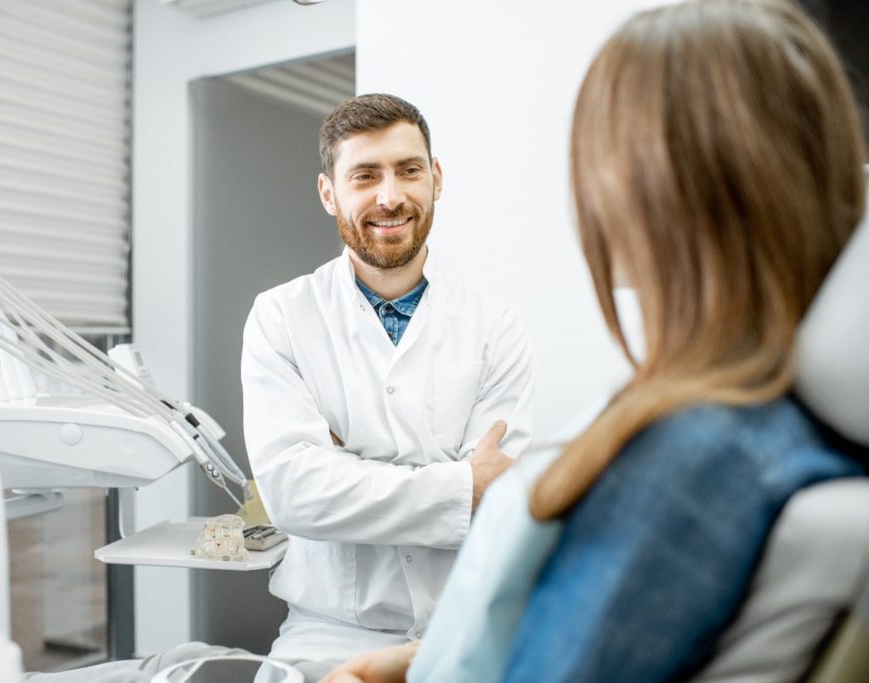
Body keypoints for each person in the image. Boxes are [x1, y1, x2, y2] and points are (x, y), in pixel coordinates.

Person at [322, 0, 868, 681]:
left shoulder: (691, 458)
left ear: (645, 189)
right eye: (364, 176)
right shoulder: (774, 426)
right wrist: (422, 660)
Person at [240, 93, 537, 678]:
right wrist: (458, 482)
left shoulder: (495, 326)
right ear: (329, 193)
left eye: (409, 170)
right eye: (365, 175)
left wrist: (348, 469)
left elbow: (499, 498)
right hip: (327, 636)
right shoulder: (281, 317)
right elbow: (295, 494)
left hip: (467, 624)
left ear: (436, 179)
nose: (390, 196)